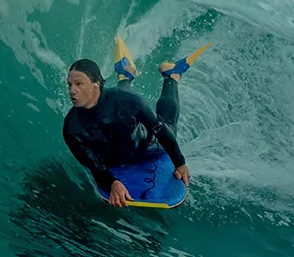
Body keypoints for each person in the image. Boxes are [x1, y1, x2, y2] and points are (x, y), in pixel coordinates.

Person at [63, 36, 211, 207]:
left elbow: (162, 130)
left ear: (96, 83)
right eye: (69, 85)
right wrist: (112, 183)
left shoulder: (130, 101)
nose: (72, 91)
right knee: (117, 100)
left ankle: (171, 76)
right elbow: (93, 165)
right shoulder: (72, 128)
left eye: (79, 84)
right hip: (115, 160)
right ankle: (125, 75)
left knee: (168, 123)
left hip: (147, 147)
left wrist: (180, 163)